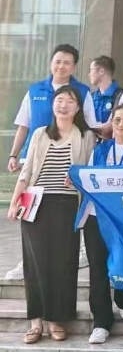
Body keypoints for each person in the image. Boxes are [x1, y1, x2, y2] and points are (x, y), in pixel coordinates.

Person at [7, 85, 96, 344]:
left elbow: (89, 172)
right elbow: (26, 173)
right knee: (35, 264)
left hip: (67, 205)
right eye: (59, 100)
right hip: (36, 204)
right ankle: (36, 321)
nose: (63, 105)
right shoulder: (40, 134)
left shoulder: (86, 136)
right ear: (53, 104)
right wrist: (14, 202)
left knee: (64, 264)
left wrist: (77, 179)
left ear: (77, 108)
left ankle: (57, 319)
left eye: (69, 101)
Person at [6, 44, 98, 281]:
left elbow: (92, 126)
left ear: (74, 66)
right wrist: (13, 154)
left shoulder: (83, 92)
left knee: (64, 228)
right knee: (30, 219)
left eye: (67, 62)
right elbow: (23, 125)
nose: (61, 66)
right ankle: (25, 262)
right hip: (35, 161)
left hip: (68, 160)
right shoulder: (35, 90)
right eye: (58, 61)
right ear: (51, 63)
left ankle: (74, 258)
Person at [83, 103, 123, 342]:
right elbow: (88, 177)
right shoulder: (100, 150)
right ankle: (101, 322)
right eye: (117, 120)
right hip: (96, 215)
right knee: (97, 267)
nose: (121, 125)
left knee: (121, 259)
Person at [88, 55, 123, 126]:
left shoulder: (121, 95)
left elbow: (114, 124)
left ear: (101, 71)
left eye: (91, 70)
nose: (89, 74)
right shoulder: (92, 96)